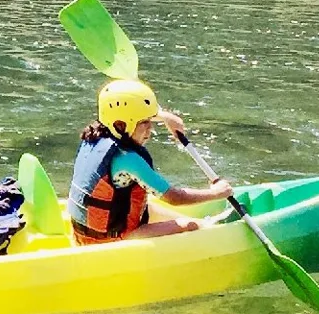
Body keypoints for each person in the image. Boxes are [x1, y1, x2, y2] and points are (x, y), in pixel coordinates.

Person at [68, 78, 234, 243]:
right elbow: (174, 197)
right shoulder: (128, 159)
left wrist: (166, 117)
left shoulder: (96, 136)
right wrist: (217, 192)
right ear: (121, 125)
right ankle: (210, 229)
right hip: (112, 240)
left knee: (148, 208)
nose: (150, 128)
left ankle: (206, 223)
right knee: (188, 226)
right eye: (144, 122)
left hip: (83, 234)